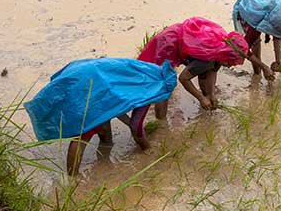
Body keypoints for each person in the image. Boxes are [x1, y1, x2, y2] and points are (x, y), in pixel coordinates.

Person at [25, 57, 177, 175]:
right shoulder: (149, 90)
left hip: (84, 71)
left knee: (102, 117)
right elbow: (136, 127)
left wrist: (129, 122)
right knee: (83, 135)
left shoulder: (144, 71)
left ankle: (104, 150)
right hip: (91, 85)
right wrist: (147, 148)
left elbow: (119, 102)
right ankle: (72, 179)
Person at [138, 16, 273, 116]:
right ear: (227, 57)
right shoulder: (207, 58)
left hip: (186, 41)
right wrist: (201, 97)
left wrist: (212, 94)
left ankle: (203, 104)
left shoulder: (221, 52)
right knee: (163, 85)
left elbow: (213, 71)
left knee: (203, 75)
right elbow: (184, 78)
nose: (231, 66)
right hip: (169, 42)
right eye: (231, 63)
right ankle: (161, 123)